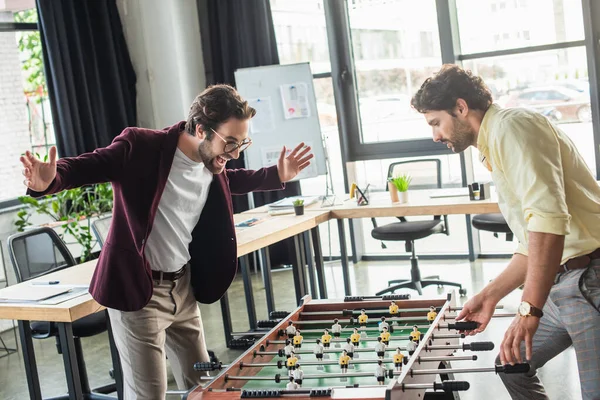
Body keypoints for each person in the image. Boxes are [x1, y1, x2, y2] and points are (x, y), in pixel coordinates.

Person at [19, 84, 314, 400]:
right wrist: (50, 180)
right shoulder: (141, 147)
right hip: (140, 295)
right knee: (150, 395)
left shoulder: (213, 163)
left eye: (242, 143)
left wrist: (277, 174)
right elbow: (88, 165)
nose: (235, 154)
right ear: (201, 130)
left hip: (182, 290)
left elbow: (234, 180)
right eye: (230, 143)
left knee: (202, 384)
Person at [411, 64, 600, 400]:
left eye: (436, 123)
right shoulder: (494, 144)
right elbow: (531, 244)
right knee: (511, 365)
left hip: (588, 280)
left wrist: (528, 309)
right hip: (560, 286)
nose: (435, 136)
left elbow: (548, 223)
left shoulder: (513, 128)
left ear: (461, 108)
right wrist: (491, 294)